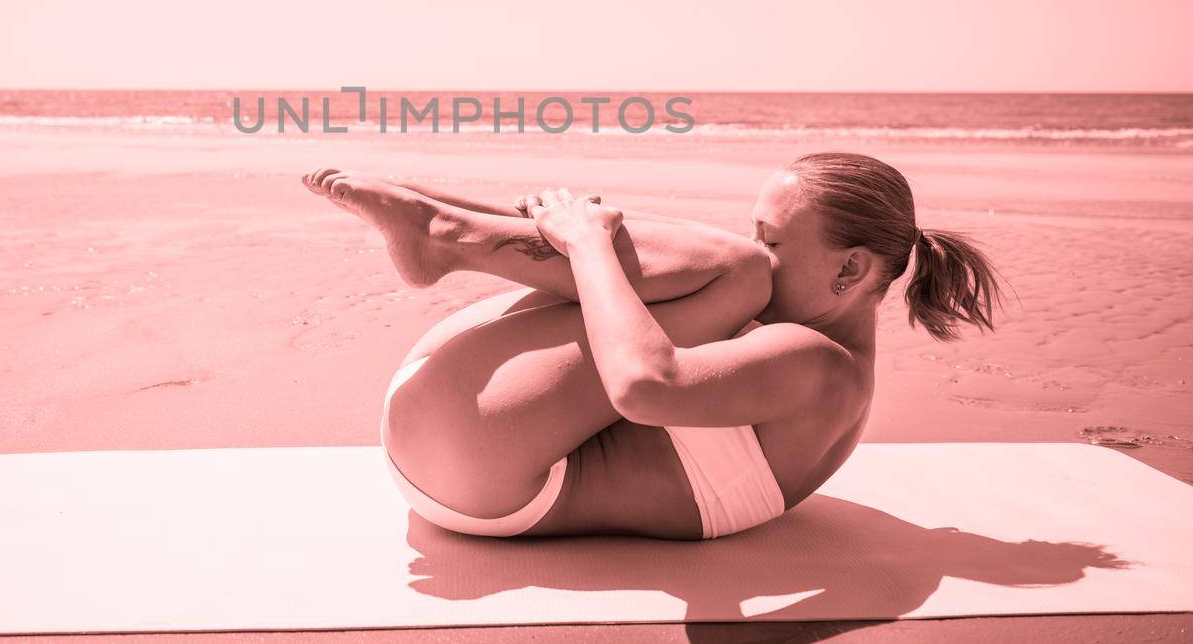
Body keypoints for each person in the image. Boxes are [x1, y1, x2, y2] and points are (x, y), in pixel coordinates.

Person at [301, 152, 1009, 541]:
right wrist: (589, 242)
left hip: (473, 466)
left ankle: (451, 231)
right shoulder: (818, 355)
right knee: (725, 268)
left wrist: (586, 244)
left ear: (849, 270)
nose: (760, 246)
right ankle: (446, 226)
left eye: (774, 237)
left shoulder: (818, 363)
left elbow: (644, 387)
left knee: (734, 270)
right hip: (461, 455)